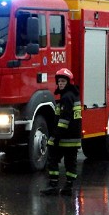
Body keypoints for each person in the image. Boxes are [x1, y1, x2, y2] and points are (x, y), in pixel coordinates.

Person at [40, 68, 82, 196]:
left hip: (65, 137)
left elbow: (64, 119)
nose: (61, 83)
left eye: (63, 81)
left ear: (68, 82)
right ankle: (68, 187)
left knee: (52, 159)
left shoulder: (66, 97)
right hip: (73, 137)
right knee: (71, 162)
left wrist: (55, 137)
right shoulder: (73, 95)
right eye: (59, 81)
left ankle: (53, 186)